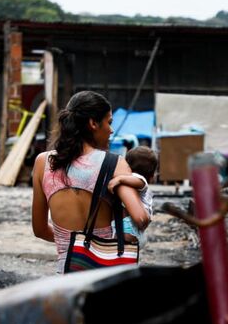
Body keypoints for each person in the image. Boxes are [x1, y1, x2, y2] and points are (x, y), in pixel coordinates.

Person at [31, 90, 149, 274]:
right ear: (93, 123)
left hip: (66, 273)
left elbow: (39, 229)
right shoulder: (114, 163)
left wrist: (71, 242)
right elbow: (140, 218)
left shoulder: (42, 163)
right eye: (109, 122)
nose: (111, 130)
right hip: (103, 274)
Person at [107, 146, 157, 247]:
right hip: (134, 228)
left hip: (129, 227)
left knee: (122, 253)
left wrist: (120, 179)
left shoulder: (138, 179)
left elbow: (140, 181)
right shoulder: (135, 182)